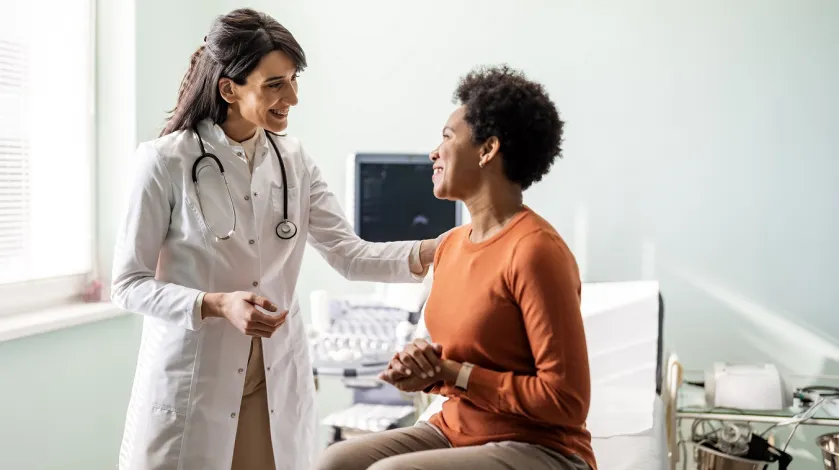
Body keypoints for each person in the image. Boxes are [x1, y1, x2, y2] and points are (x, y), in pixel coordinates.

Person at [110, 8, 443, 470]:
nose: (293, 97)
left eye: (293, 80)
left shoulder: (293, 160)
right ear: (229, 89)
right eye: (274, 85)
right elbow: (128, 284)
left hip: (273, 380)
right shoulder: (165, 162)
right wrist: (216, 304)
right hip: (196, 382)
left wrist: (442, 249)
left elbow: (350, 255)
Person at [314, 65, 596, 470]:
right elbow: (460, 358)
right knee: (334, 463)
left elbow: (566, 401)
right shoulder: (450, 246)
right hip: (456, 429)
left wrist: (455, 373)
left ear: (487, 150)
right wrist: (423, 367)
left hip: (540, 445)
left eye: (447, 137)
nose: (434, 152)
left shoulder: (535, 251)